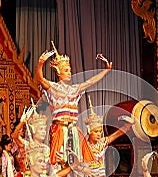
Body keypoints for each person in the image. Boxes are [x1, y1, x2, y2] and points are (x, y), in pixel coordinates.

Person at [36, 41, 112, 169]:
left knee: (79, 159)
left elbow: (90, 82)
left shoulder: (74, 89)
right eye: (66, 70)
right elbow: (40, 79)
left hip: (73, 127)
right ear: (59, 72)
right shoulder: (53, 87)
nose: (69, 73)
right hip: (60, 128)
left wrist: (106, 71)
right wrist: (40, 64)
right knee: (58, 160)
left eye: (70, 70)